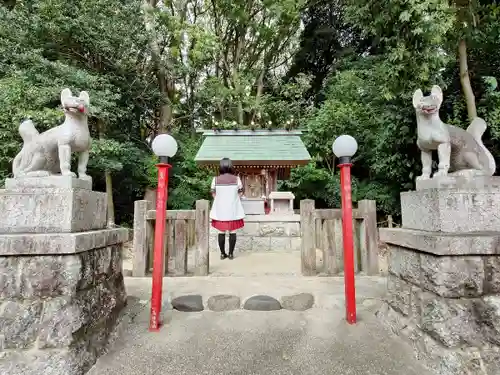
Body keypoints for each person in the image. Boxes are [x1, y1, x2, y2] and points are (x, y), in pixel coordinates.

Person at [210, 158, 245, 260]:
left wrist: (220, 200)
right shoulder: (236, 179)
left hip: (220, 210)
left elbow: (213, 193)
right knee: (232, 231)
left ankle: (222, 254)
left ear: (221, 166)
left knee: (221, 232)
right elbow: (241, 192)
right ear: (230, 166)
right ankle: (230, 254)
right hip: (233, 209)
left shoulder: (215, 179)